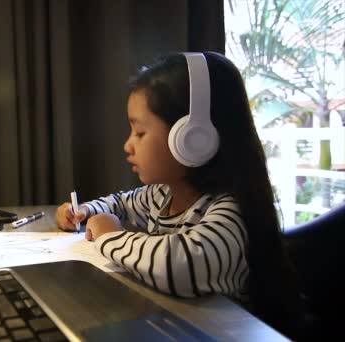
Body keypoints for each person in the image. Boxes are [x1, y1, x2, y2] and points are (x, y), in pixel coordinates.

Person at [56, 52, 300, 338]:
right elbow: (119, 203)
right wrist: (85, 211)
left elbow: (180, 265)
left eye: (139, 132)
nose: (127, 145)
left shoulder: (229, 211)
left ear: (193, 137)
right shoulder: (160, 196)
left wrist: (110, 236)